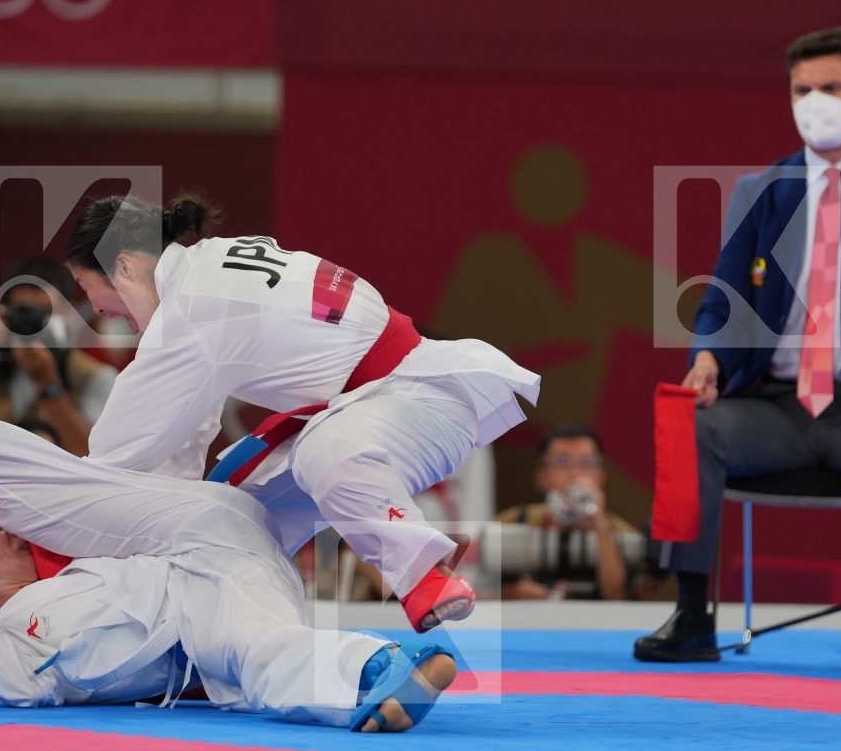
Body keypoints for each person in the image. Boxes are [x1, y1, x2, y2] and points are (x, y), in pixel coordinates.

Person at [0, 342, 456, 732]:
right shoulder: (20, 639)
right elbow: (7, 683)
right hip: (218, 591)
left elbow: (16, 476)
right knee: (261, 658)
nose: (0, 523)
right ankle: (376, 672)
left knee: (29, 478)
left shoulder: (62, 533)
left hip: (188, 528)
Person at [636, 26, 841, 673]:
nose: (815, 102)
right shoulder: (763, 190)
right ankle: (692, 614)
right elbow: (723, 300)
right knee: (691, 422)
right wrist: (708, 359)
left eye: (832, 88)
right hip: (776, 407)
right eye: (801, 90)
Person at [63, 193, 541, 633]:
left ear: (124, 266)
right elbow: (185, 426)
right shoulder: (209, 272)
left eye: (86, 286)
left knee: (323, 453)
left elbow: (117, 453)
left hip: (418, 397)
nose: (98, 310)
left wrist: (58, 518)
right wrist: (176, 514)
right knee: (230, 520)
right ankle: (233, 644)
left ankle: (423, 575)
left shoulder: (192, 308)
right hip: (365, 410)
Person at [0, 256, 116, 519]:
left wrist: (49, 385)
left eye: (45, 313)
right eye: (24, 312)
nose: (34, 324)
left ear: (70, 315)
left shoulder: (94, 377)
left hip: (55, 523)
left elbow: (94, 458)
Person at [497, 424, 639, 601]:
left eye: (586, 463)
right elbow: (471, 587)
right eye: (562, 463)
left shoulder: (624, 534)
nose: (574, 473)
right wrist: (510, 594)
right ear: (542, 476)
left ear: (601, 476)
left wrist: (600, 523)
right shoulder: (512, 522)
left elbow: (618, 597)